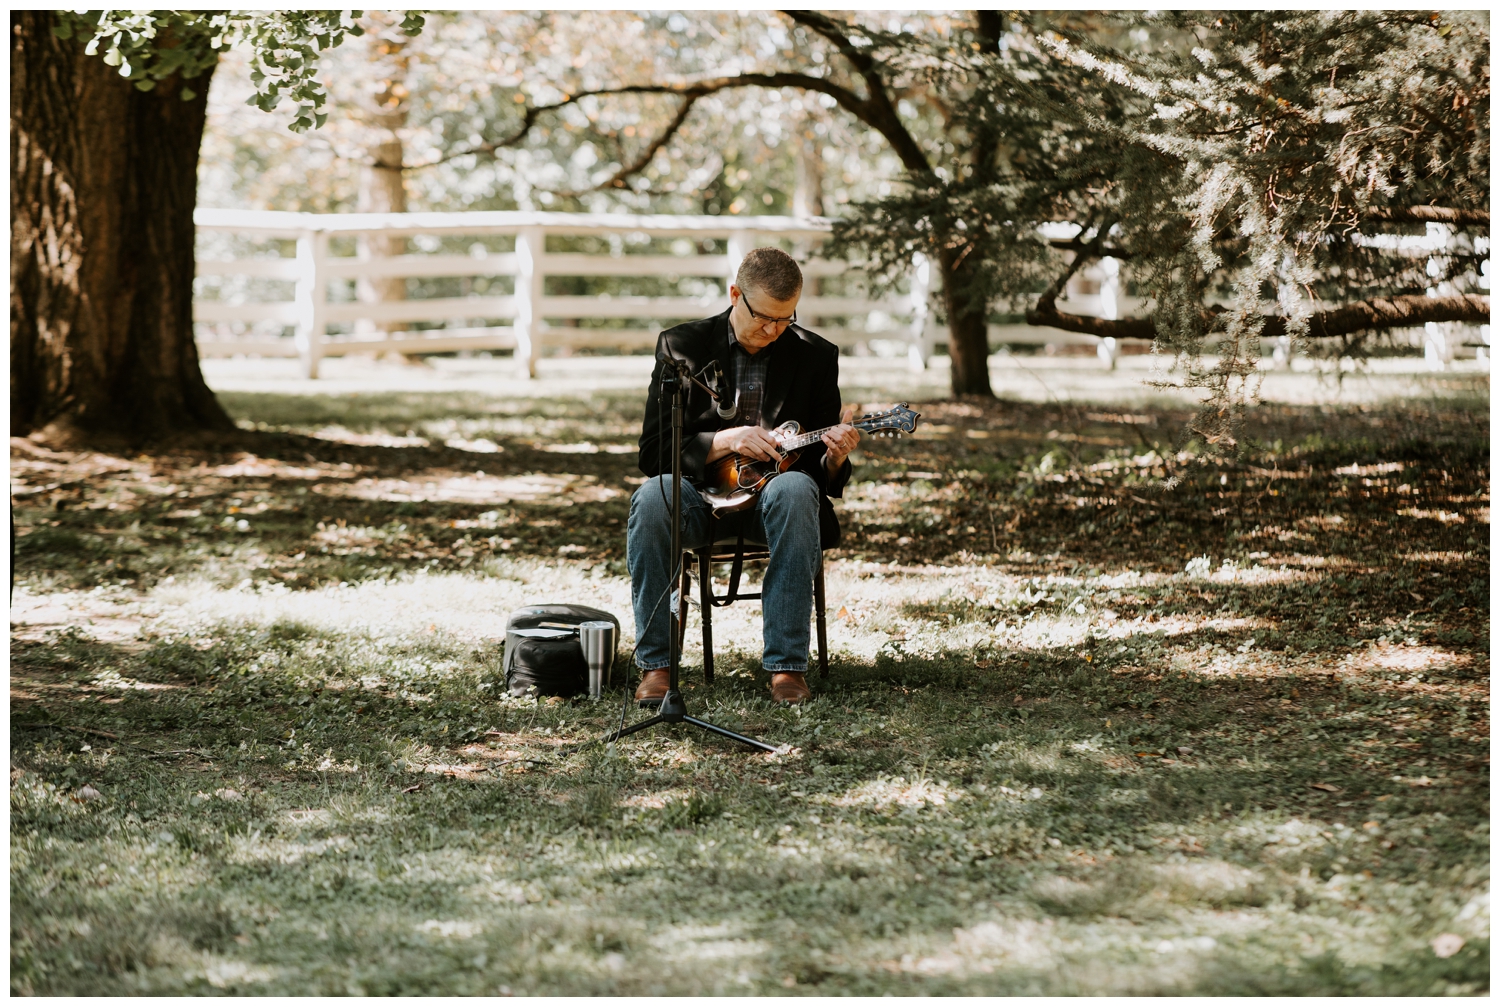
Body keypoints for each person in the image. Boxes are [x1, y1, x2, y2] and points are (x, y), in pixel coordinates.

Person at [629, 247, 860, 706]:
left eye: (785, 319)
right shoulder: (680, 347)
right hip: (699, 499)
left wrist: (836, 457)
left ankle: (787, 668)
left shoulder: (815, 356)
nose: (773, 330)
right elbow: (654, 452)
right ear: (735, 294)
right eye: (764, 318)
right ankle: (657, 666)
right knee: (653, 496)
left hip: (775, 504)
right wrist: (725, 440)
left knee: (796, 487)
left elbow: (820, 472)